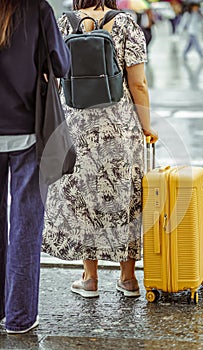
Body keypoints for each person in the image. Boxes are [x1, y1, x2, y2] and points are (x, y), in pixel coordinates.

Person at [42, 0, 158, 299]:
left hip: (77, 125)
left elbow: (52, 78)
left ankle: (90, 278)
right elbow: (139, 83)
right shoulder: (126, 24)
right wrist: (146, 126)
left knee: (85, 197)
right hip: (119, 126)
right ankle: (128, 279)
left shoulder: (64, 24)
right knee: (126, 197)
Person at [0, 0, 70, 334]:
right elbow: (61, 62)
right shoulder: (37, 8)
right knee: (26, 225)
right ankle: (19, 317)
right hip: (28, 129)